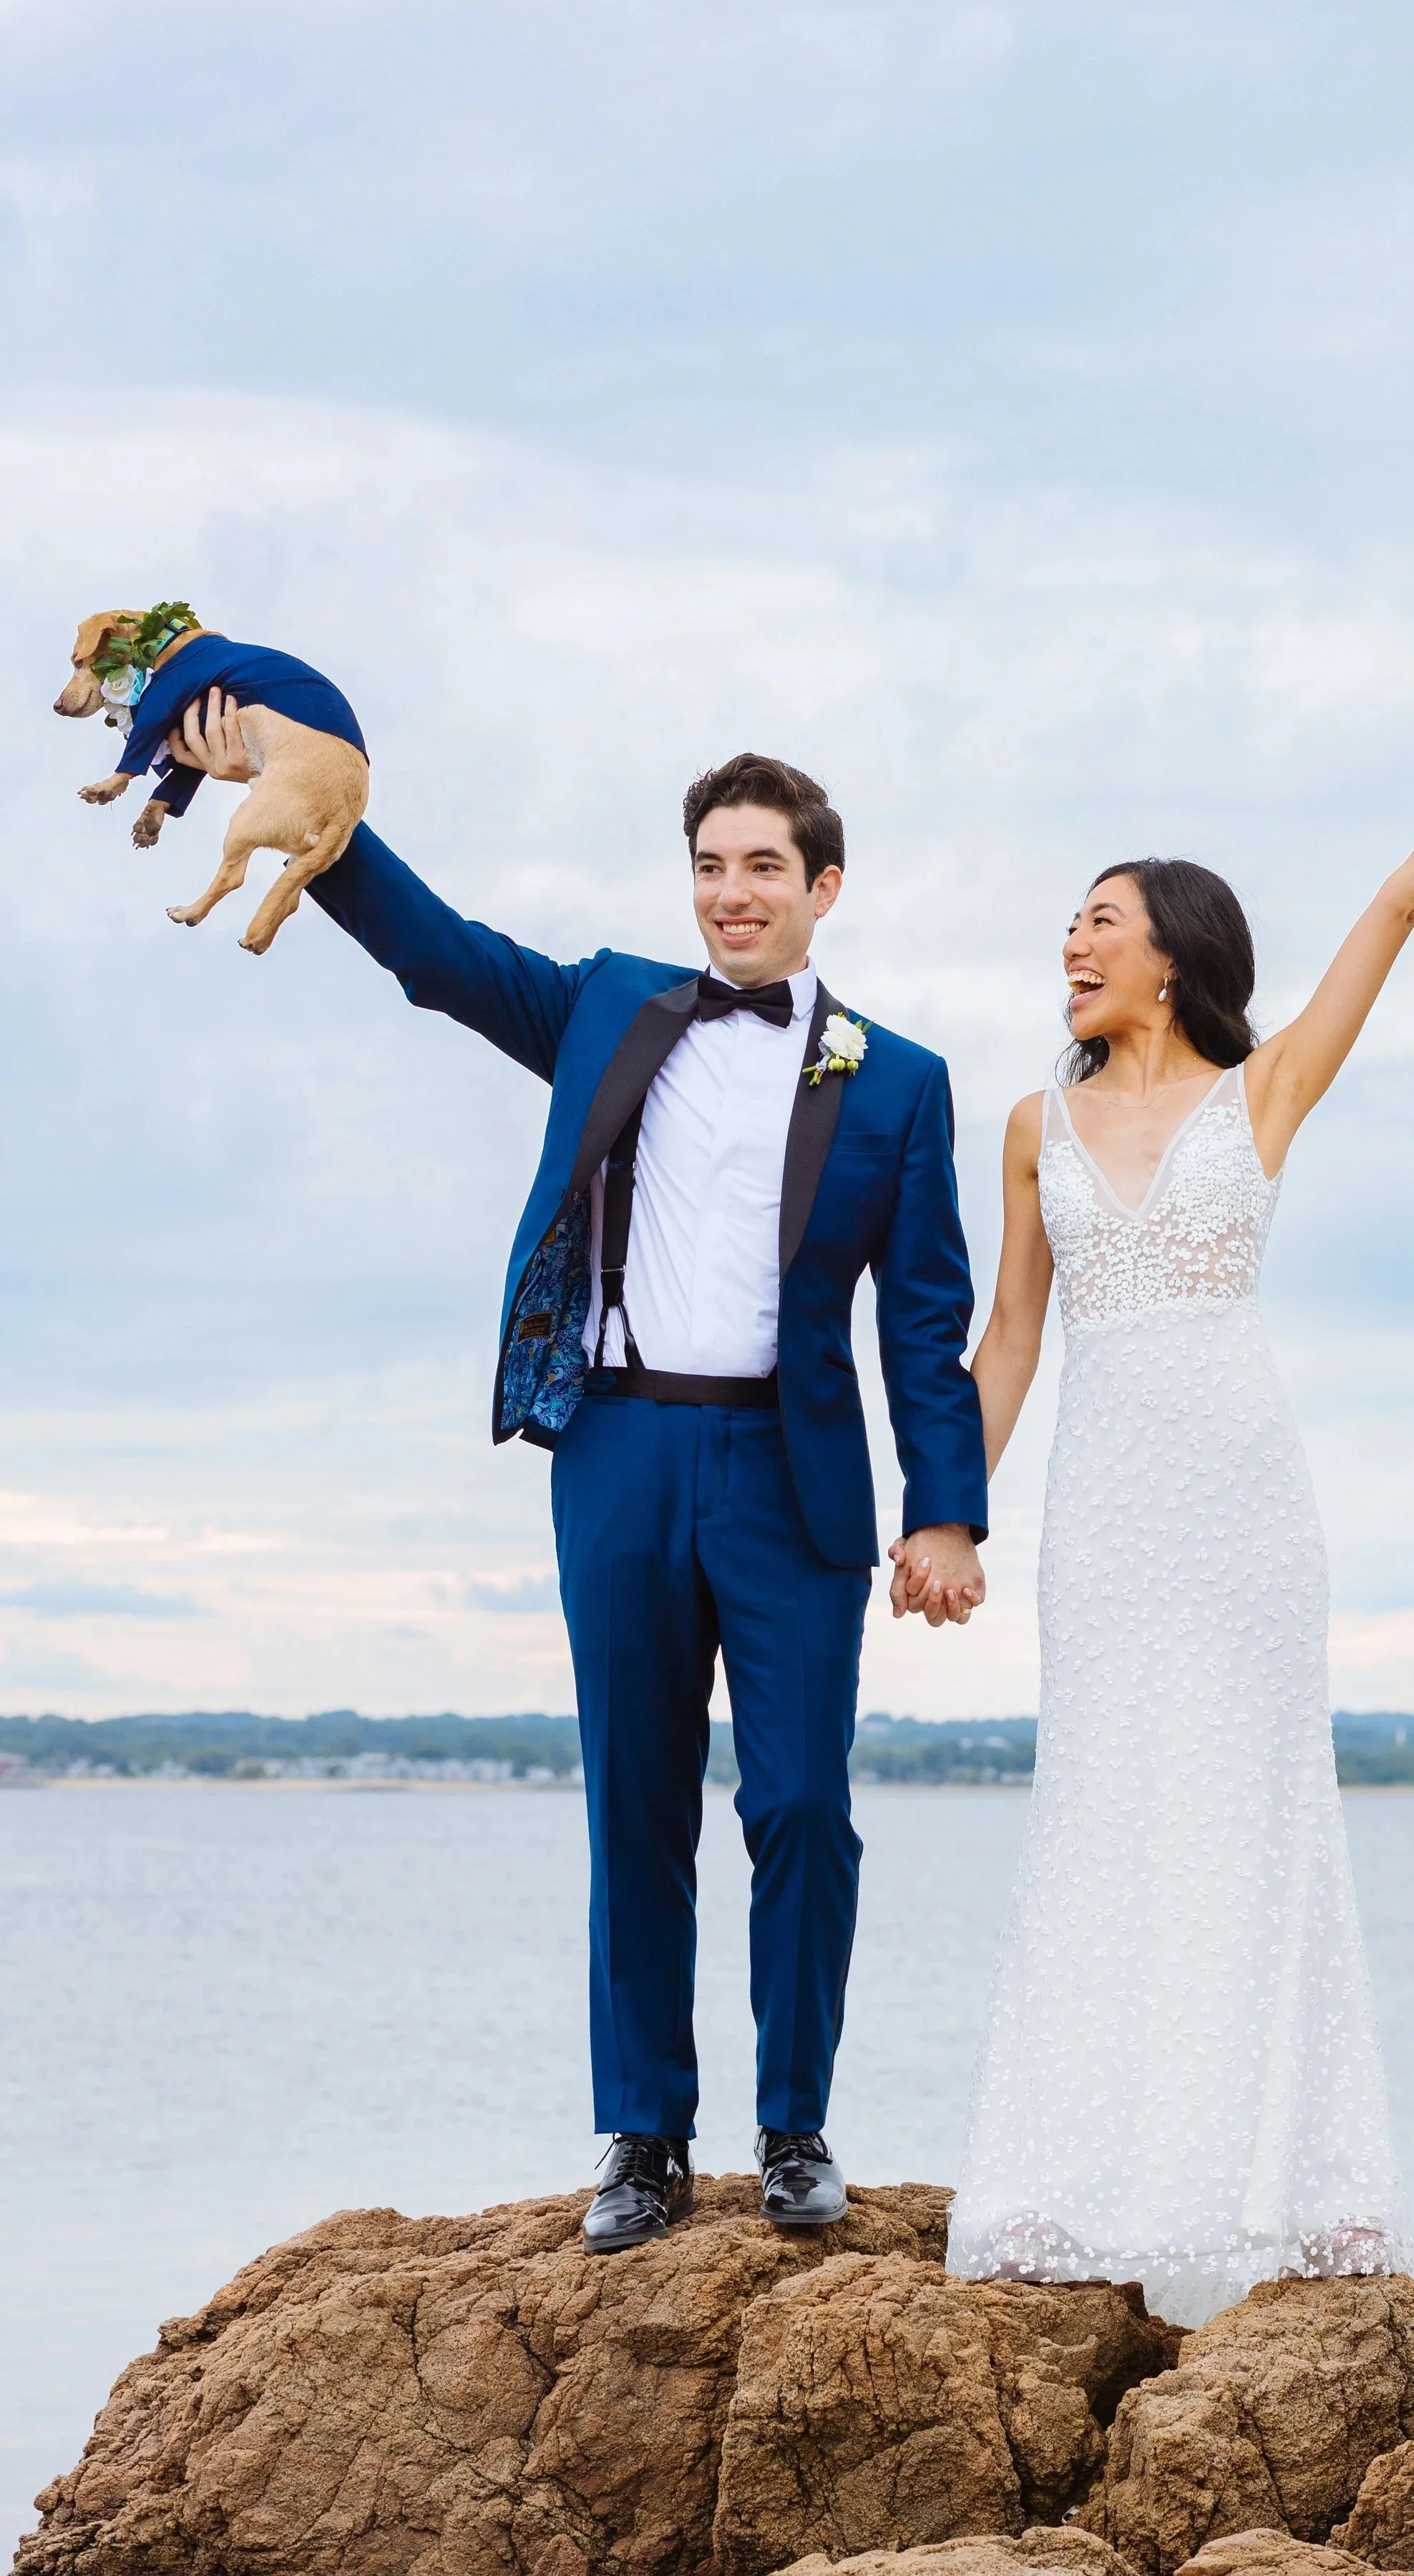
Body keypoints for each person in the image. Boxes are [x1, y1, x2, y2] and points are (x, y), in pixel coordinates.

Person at [167, 698, 990, 2250]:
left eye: (760, 865)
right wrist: (303, 806)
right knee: (635, 1804)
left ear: (825, 886)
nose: (729, 891)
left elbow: (926, 1313)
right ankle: (643, 2138)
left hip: (792, 1471)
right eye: (706, 865)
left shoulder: (899, 1081)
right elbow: (445, 958)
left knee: (803, 1806)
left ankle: (796, 2127)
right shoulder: (612, 1008)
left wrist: (944, 1506)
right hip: (616, 1448)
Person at [938, 660, 1414, 2326]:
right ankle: (1081, 2181)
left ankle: (1268, 2187)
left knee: (1251, 1820)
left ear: (1175, 951)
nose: (1070, 947)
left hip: (1241, 1510)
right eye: (1064, 929)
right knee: (1103, 1810)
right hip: (1103, 1511)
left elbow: (1397, 898)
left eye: (1098, 921)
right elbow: (1009, 1333)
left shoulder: (1265, 1089)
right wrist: (945, 1510)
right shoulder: (1030, 1123)